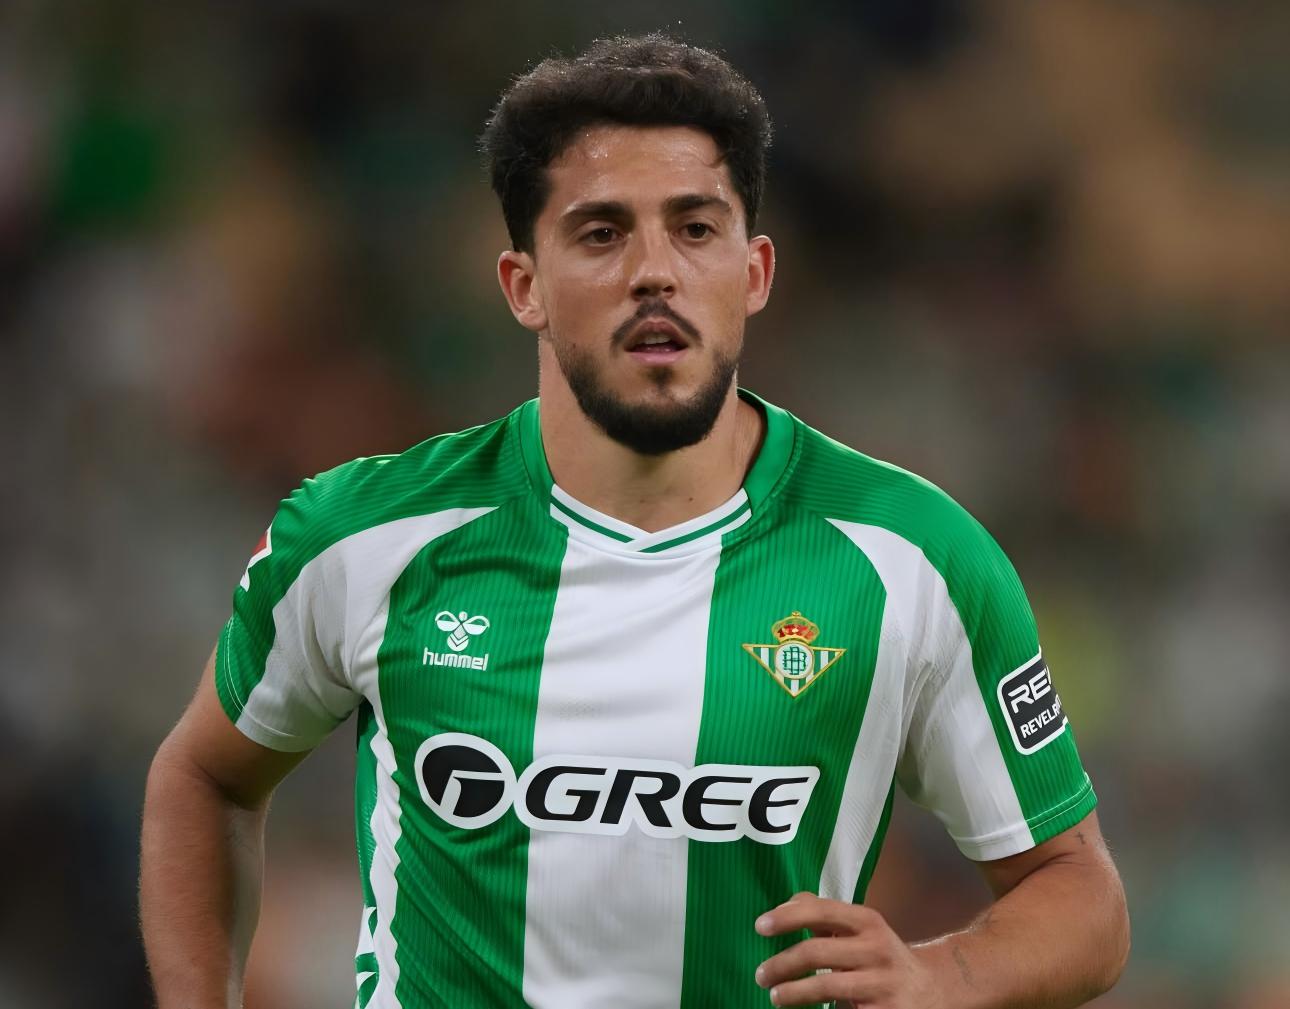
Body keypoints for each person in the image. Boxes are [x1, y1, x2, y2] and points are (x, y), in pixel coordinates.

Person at [140, 32, 1129, 1009]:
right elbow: (205, 776)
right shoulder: (365, 537)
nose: (654, 270)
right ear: (524, 284)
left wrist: (942, 975)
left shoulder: (910, 559)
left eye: (695, 228)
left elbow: (1080, 893)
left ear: (755, 272)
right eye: (602, 233)